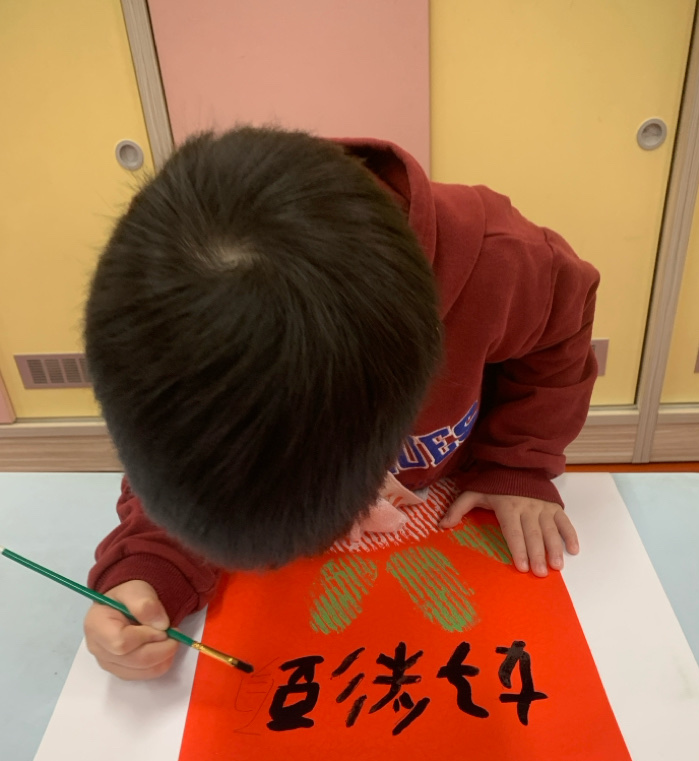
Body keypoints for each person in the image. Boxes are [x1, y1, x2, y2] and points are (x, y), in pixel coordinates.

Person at [83, 126, 599, 681]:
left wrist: (516, 461)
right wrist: (147, 571)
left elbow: (560, 330)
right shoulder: (162, 320)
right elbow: (196, 467)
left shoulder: (504, 265)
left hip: (449, 488)